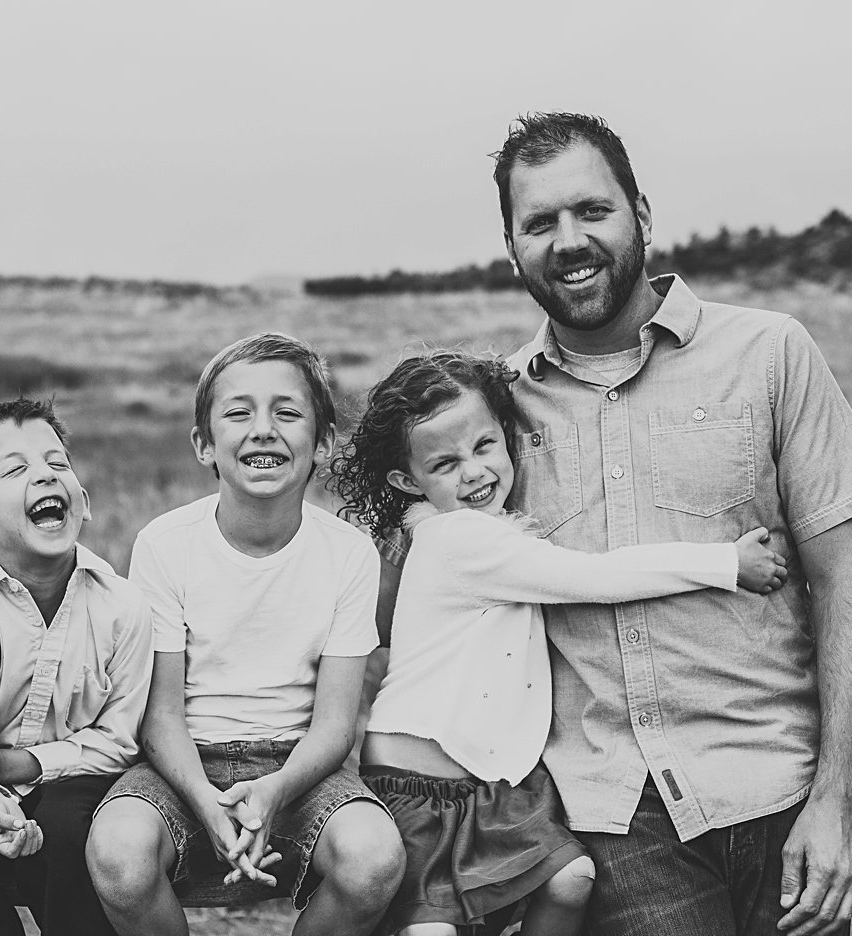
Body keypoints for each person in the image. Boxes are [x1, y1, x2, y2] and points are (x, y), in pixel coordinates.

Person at [487, 111, 852, 935]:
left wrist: (838, 800)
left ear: (641, 211)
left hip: (780, 785)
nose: (569, 240)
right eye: (540, 223)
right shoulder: (494, 410)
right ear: (512, 244)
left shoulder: (771, 352)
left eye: (591, 211)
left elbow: (846, 575)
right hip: (615, 815)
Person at [329, 349, 788, 935]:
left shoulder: (488, 532)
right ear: (407, 480)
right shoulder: (461, 540)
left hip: (489, 787)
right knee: (434, 929)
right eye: (445, 464)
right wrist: (725, 562)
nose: (474, 472)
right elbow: (596, 577)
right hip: (420, 788)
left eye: (485, 447)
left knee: (571, 880)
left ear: (506, 439)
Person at [87, 332, 405, 936]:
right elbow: (160, 717)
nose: (263, 429)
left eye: (287, 413)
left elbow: (337, 725)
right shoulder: (164, 544)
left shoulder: (347, 553)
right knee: (118, 852)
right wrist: (209, 804)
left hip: (299, 763)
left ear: (323, 442)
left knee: (373, 860)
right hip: (182, 764)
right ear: (204, 445)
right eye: (238, 414)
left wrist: (276, 791)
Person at [0, 397, 153, 936]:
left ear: (81, 502)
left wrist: (13, 765)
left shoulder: (123, 608)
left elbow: (120, 741)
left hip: (79, 782)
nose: (45, 474)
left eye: (57, 463)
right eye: (16, 469)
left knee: (68, 826)